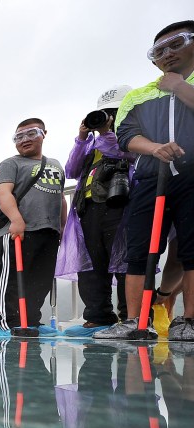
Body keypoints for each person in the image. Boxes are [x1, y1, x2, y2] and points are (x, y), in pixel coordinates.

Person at [96, 21, 194, 342]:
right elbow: (125, 136)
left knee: (191, 248)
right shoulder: (138, 96)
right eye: (159, 50)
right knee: (139, 250)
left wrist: (179, 87)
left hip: (192, 177)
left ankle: (189, 320)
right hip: (152, 179)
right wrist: (155, 149)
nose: (166, 54)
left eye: (175, 44)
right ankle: (135, 320)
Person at [60, 87, 137, 338]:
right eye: (104, 113)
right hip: (89, 208)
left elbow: (121, 152)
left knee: (125, 261)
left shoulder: (132, 134)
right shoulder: (92, 142)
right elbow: (71, 170)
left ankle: (130, 316)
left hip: (120, 205)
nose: (108, 117)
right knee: (91, 264)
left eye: (113, 112)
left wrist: (106, 131)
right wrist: (82, 138)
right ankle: (97, 316)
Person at [0, 119, 66, 333]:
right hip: (19, 231)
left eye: (31, 134)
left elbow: (61, 198)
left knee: (41, 280)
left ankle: (32, 321)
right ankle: (9, 323)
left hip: (49, 230)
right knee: (14, 279)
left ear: (43, 134)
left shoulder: (55, 164)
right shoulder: (10, 164)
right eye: (19, 136)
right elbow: (3, 193)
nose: (24, 140)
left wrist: (63, 226)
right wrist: (16, 219)